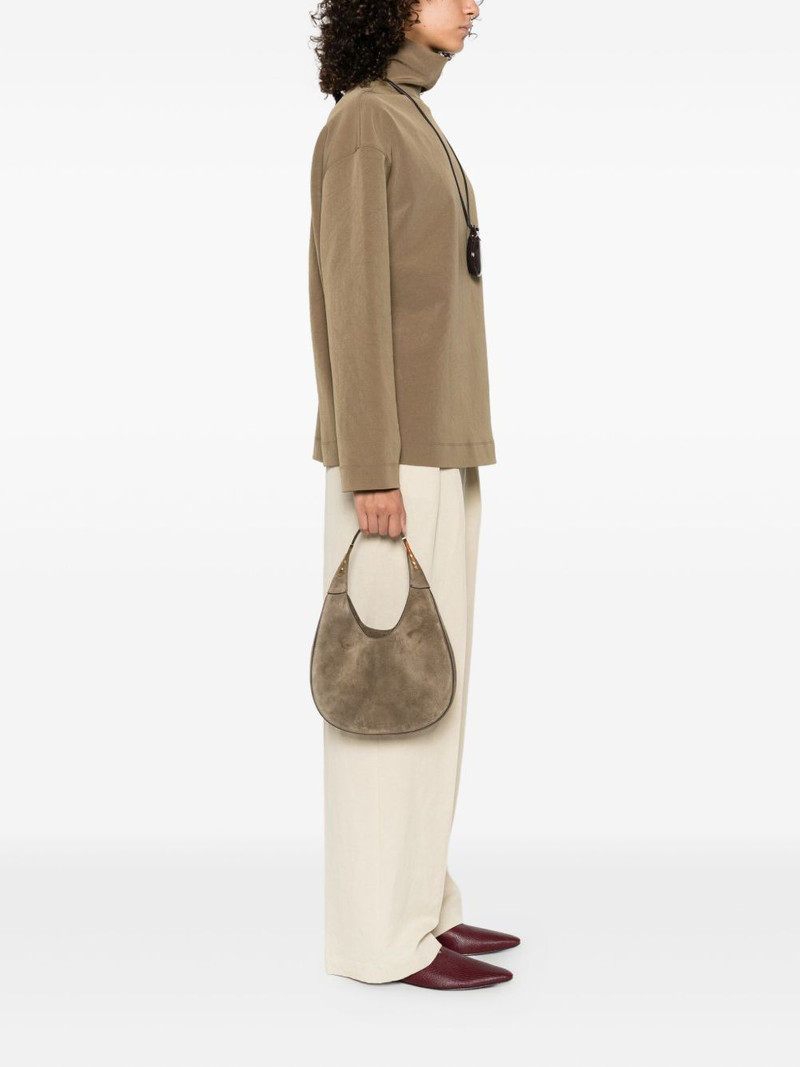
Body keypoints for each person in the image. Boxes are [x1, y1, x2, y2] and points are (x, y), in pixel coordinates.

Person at [307, 0, 519, 990]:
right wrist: (371, 469)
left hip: (439, 451)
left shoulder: (407, 113)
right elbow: (351, 302)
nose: (473, 5)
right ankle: (375, 941)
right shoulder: (364, 122)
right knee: (384, 700)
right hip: (394, 465)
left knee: (432, 692)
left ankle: (421, 909)